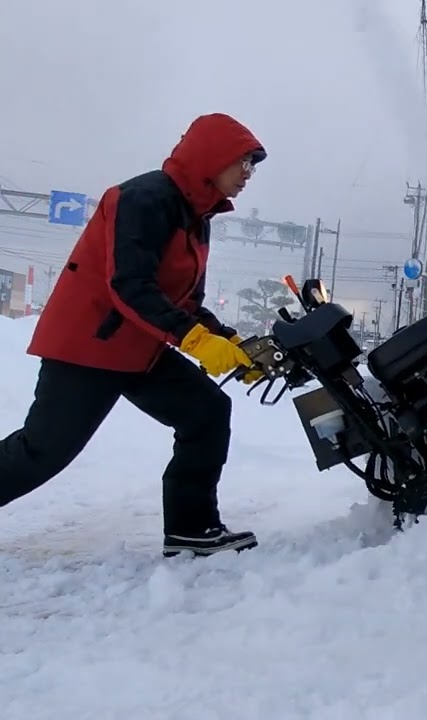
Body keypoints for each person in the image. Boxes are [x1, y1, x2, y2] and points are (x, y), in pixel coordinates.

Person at [0, 113, 268, 558]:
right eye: (242, 162)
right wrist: (196, 341)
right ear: (212, 156)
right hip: (90, 344)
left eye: (252, 166)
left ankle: (191, 528)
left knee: (206, 411)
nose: (247, 175)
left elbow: (182, 300)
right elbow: (129, 284)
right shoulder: (143, 198)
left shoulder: (196, 216)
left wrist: (229, 341)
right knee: (43, 451)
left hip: (138, 346)